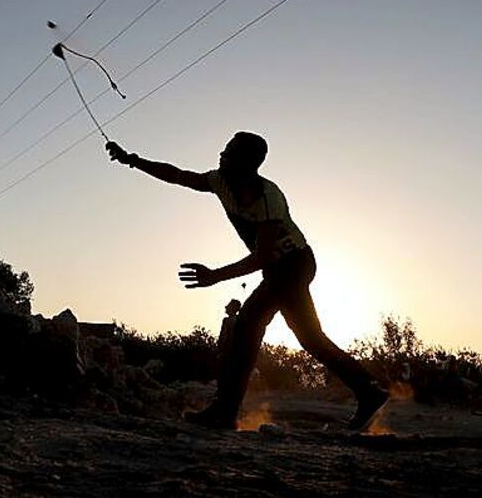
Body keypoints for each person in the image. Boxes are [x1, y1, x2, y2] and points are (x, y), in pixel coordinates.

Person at [106, 132, 388, 430]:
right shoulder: (219, 182)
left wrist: (214, 276)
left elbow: (263, 257)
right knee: (307, 337)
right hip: (278, 270)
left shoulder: (269, 197)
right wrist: (132, 161)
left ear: (249, 162)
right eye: (225, 149)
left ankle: (225, 413)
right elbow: (177, 175)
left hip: (294, 265)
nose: (222, 154)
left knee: (246, 329)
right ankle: (368, 391)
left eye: (230, 151)